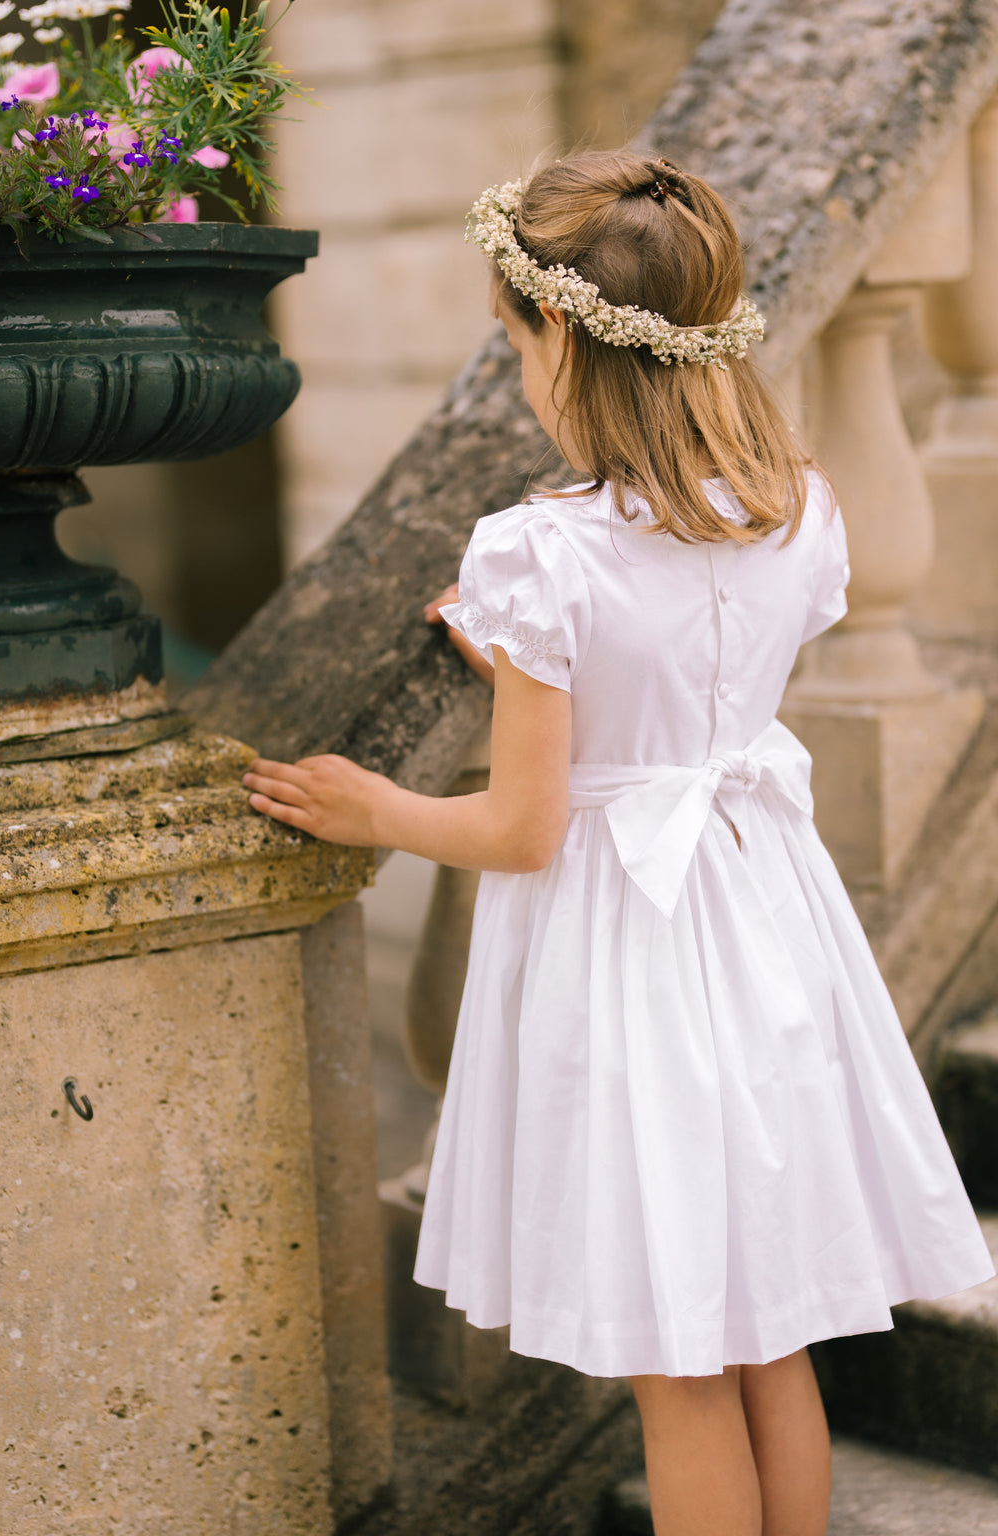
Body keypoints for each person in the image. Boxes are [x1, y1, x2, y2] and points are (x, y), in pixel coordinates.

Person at [242, 149, 994, 1536]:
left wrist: (374, 809)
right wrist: (536, 657)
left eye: (518, 337)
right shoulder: (800, 507)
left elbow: (525, 829)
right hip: (767, 936)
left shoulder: (544, 552)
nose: (520, 370)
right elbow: (692, 659)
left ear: (569, 349)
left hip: (633, 969)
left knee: (676, 1371)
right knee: (771, 1340)